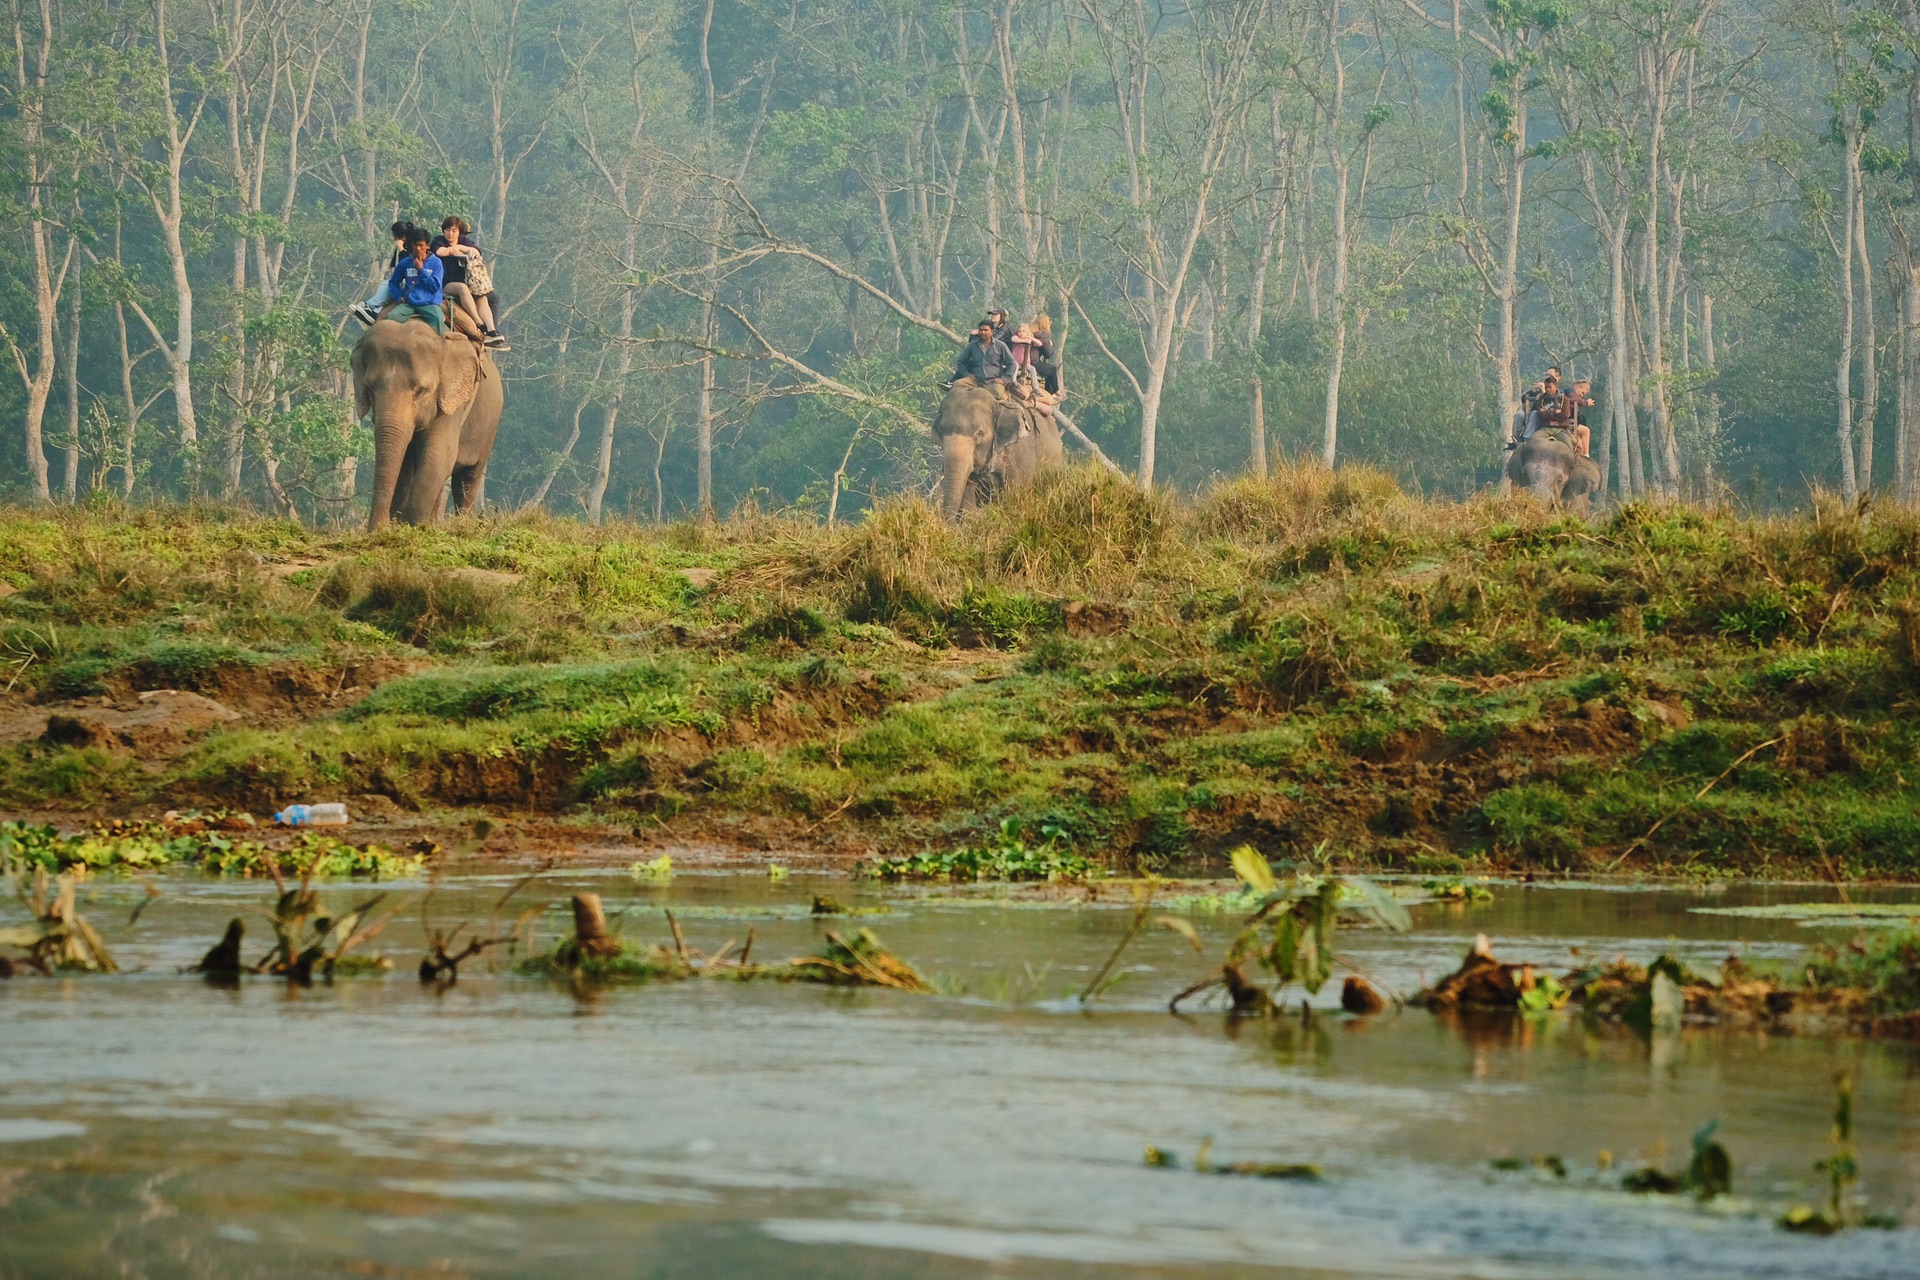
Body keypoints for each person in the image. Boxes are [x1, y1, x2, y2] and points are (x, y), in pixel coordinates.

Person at [432, 216, 508, 350]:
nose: (450, 233)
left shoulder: (464, 241)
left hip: (469, 284)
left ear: (459, 232)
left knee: (483, 297)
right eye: (448, 230)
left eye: (454, 231)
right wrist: (451, 251)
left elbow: (477, 252)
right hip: (448, 284)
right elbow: (439, 252)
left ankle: (491, 331)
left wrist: (460, 247)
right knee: (462, 288)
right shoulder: (439, 241)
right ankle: (478, 322)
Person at [350, 221, 416, 326]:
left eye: (395, 237)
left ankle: (370, 306)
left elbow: (407, 265)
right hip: (400, 280)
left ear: (402, 237)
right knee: (389, 284)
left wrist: (401, 249)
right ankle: (375, 312)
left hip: (412, 282)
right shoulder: (399, 248)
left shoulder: (413, 247)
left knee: (388, 284)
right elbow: (394, 265)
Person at [383, 228, 446, 334]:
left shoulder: (436, 262)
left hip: (429, 303)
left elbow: (435, 286)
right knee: (391, 317)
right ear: (411, 245)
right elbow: (393, 282)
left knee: (438, 319)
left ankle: (442, 346)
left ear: (427, 245)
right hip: (409, 303)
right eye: (415, 245)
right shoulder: (405, 262)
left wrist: (421, 270)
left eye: (421, 245)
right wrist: (398, 296)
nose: (418, 248)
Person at [953, 319, 1013, 385]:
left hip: (993, 382)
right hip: (975, 380)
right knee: (957, 384)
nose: (983, 332)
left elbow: (1012, 363)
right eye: (981, 330)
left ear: (992, 332)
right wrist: (966, 374)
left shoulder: (1000, 345)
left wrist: (1004, 379)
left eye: (986, 330)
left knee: (997, 394)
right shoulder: (972, 345)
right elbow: (960, 361)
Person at [1569, 378, 1595, 457]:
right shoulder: (1570, 391)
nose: (1582, 395)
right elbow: (1575, 399)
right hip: (1567, 423)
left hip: (1571, 422)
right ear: (1577, 387)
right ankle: (1586, 455)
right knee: (1586, 431)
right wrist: (1586, 402)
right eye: (1582, 392)